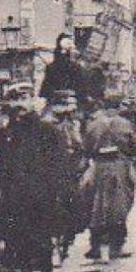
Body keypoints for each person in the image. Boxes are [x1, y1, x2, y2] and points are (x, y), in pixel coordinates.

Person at [0, 83, 72, 272]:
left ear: (33, 102)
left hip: (43, 193)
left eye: (25, 98)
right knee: (20, 235)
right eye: (17, 99)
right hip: (17, 194)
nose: (21, 103)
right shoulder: (6, 134)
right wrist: (3, 186)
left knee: (45, 234)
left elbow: (60, 162)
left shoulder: (48, 130)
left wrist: (56, 189)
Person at [81, 90, 136, 260]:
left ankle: (95, 246)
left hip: (98, 166)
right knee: (119, 206)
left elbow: (86, 147)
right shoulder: (125, 124)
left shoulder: (94, 124)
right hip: (120, 166)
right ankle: (116, 247)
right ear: (120, 106)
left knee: (97, 207)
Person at [47, 90, 88, 260]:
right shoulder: (47, 124)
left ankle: (65, 241)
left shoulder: (74, 124)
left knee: (73, 207)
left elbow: (80, 146)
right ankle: (55, 246)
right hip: (52, 172)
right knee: (54, 209)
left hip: (71, 171)